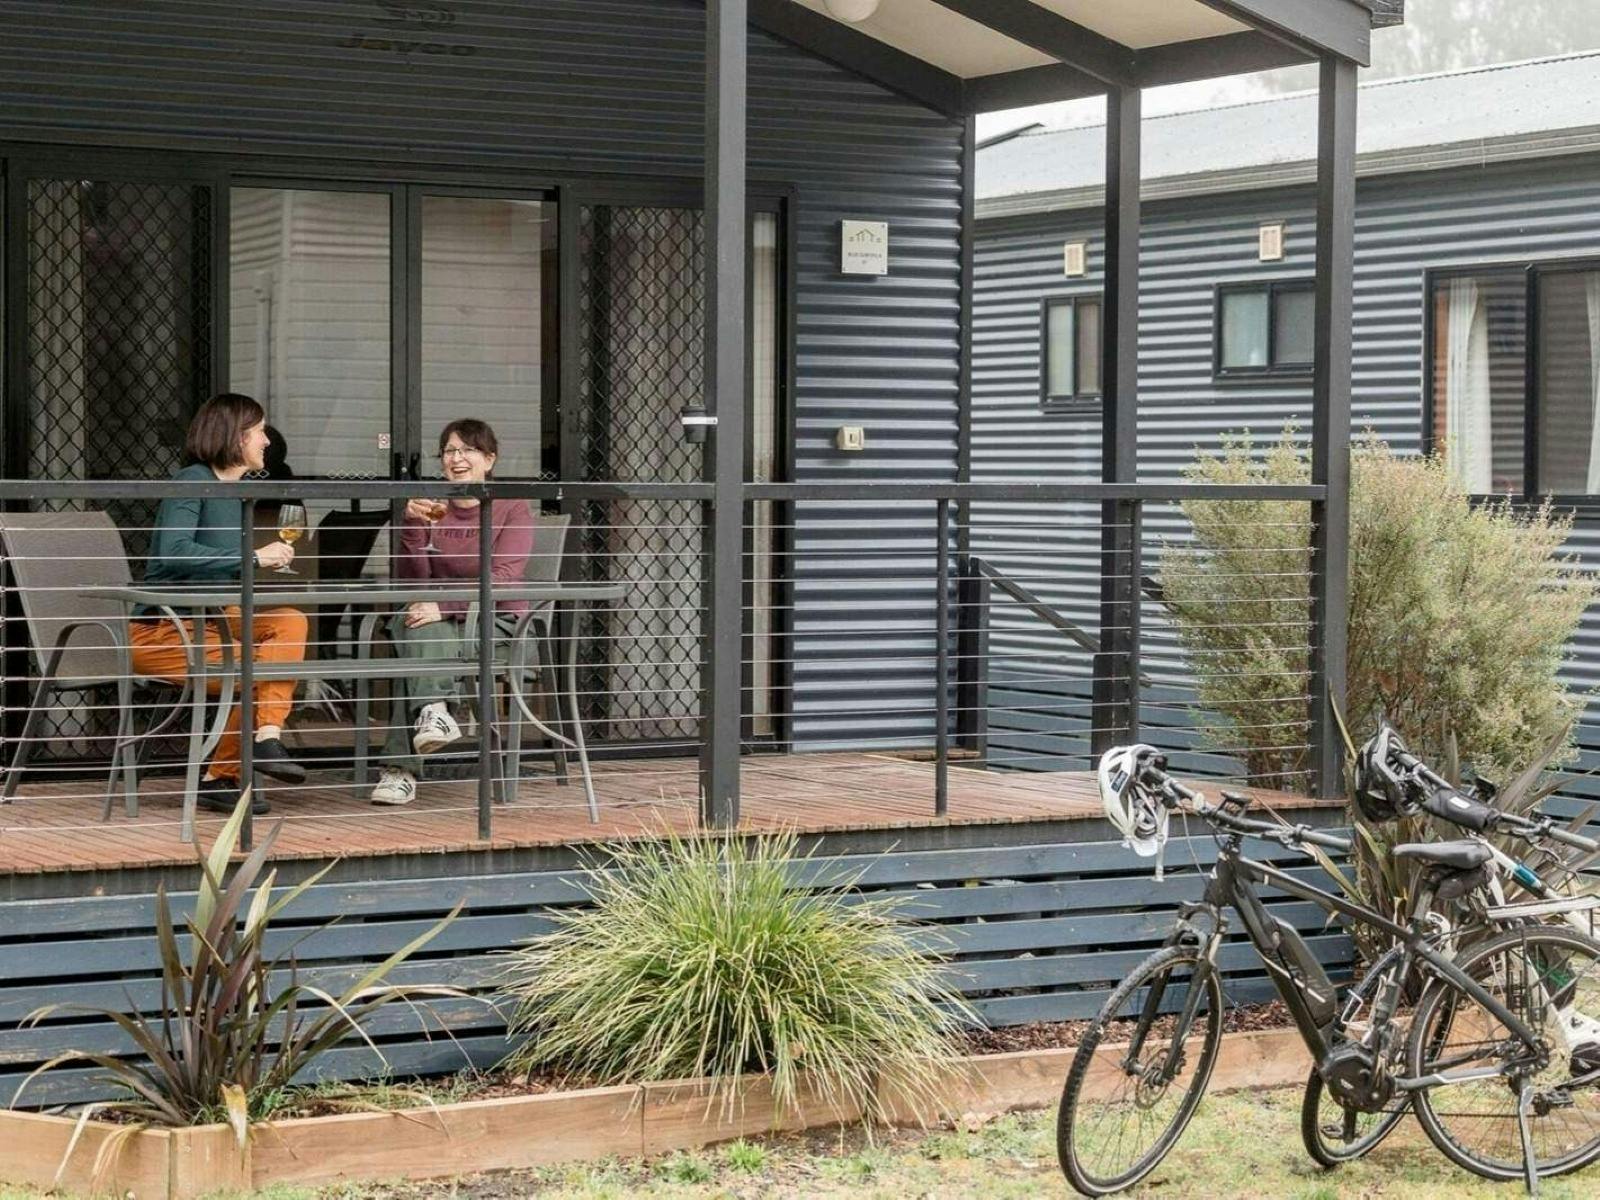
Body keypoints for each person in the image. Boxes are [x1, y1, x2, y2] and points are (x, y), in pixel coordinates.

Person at [132, 393, 309, 815]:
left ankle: (267, 737)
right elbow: (174, 552)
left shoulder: (237, 492)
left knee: (290, 621)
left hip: (215, 622)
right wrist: (253, 557)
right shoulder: (192, 480)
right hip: (165, 631)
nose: (267, 441)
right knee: (257, 672)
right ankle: (221, 777)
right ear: (236, 435)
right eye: (260, 431)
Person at [370, 418, 534, 805]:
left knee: (415, 639)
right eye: (449, 451)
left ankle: (400, 768)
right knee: (417, 623)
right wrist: (412, 525)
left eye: (468, 450)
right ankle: (433, 712)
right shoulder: (433, 507)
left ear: (489, 459)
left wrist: (444, 606)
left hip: (495, 623)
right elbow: (414, 582)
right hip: (436, 621)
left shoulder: (511, 508)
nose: (457, 458)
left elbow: (505, 579)